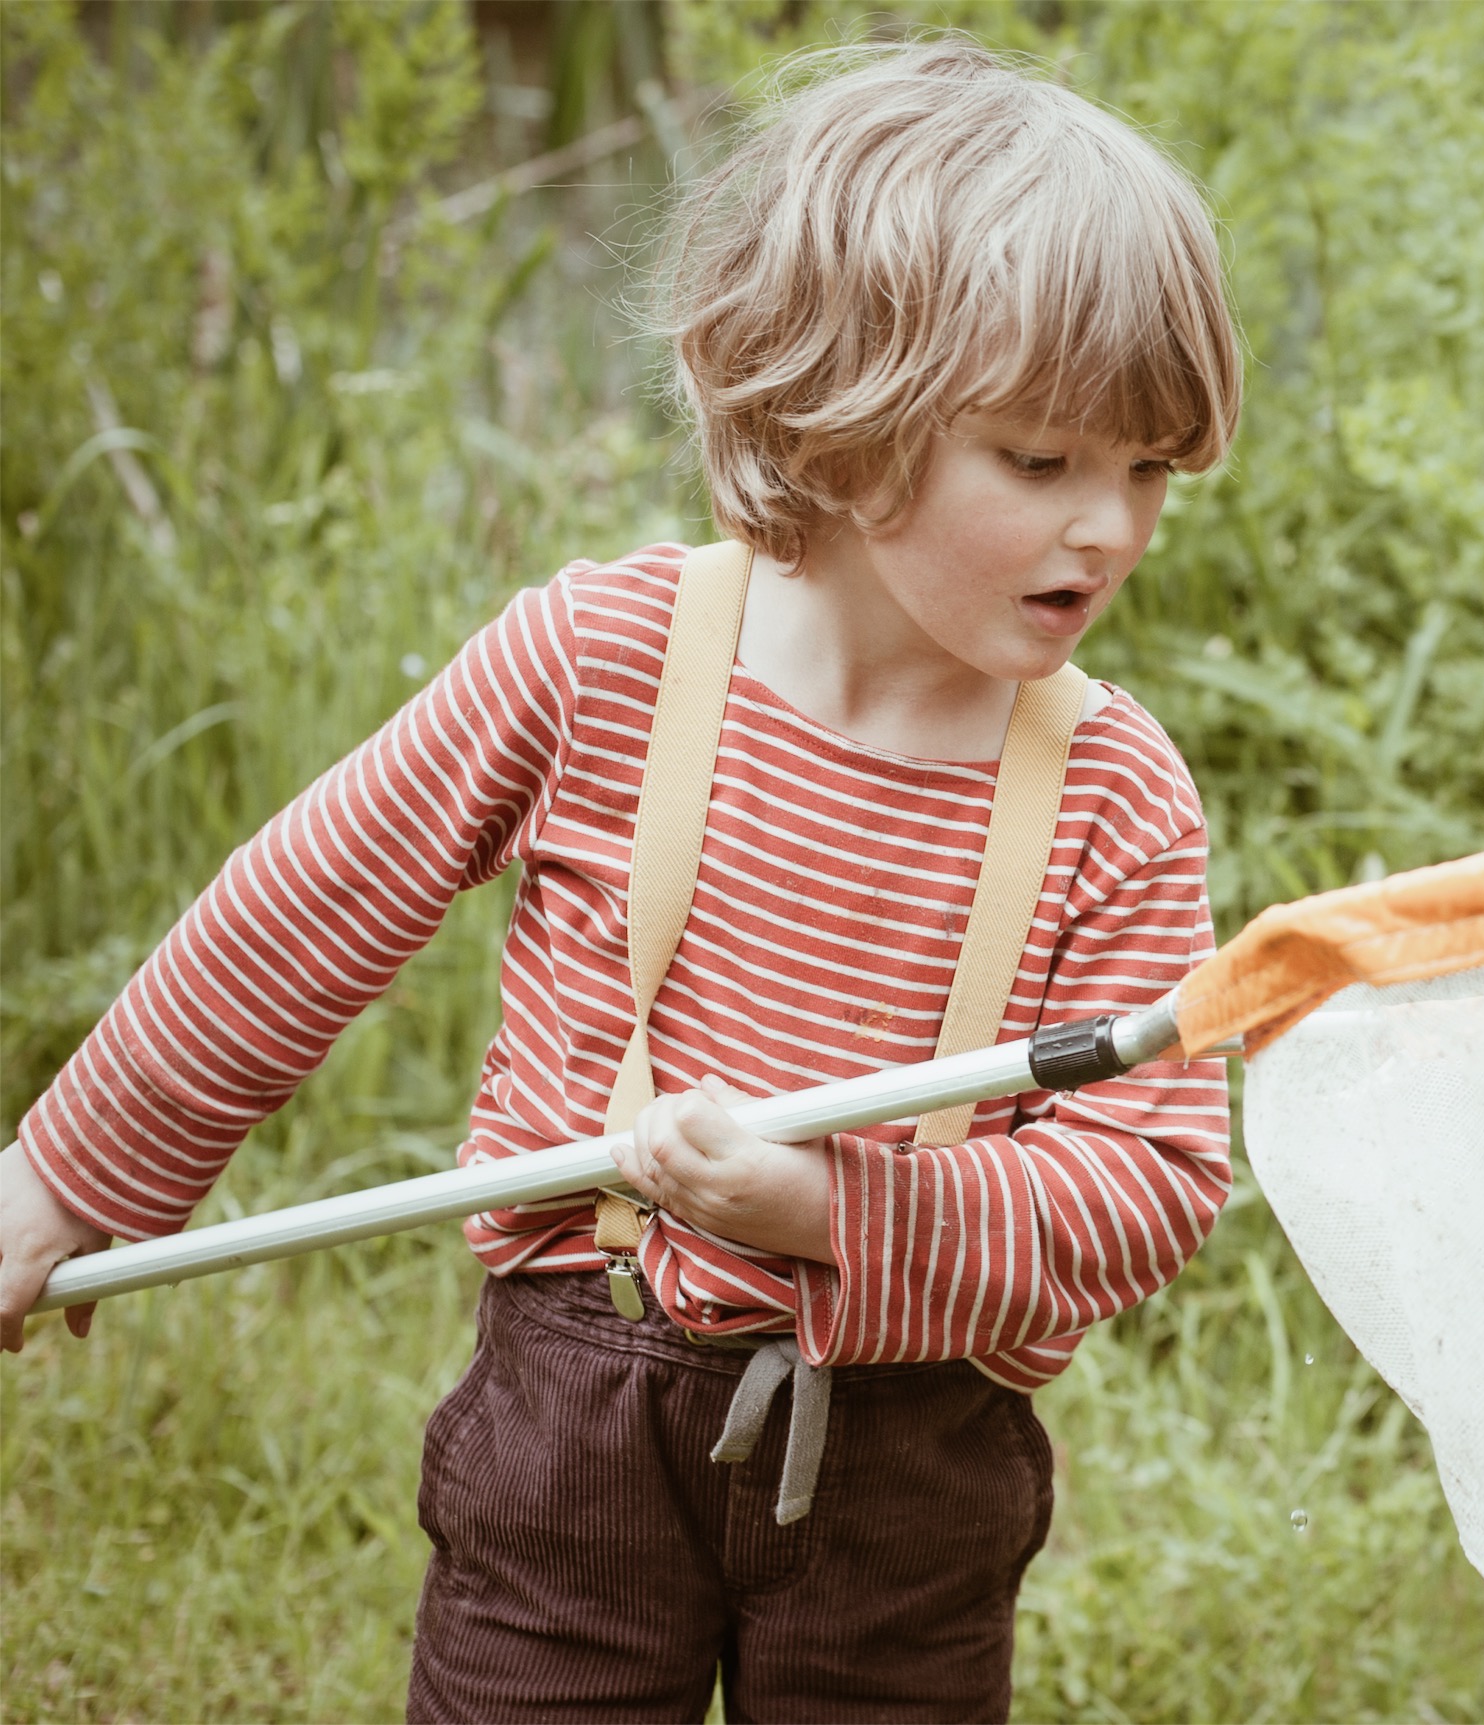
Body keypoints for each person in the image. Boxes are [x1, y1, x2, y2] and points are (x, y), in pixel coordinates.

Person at [0, 38, 1239, 1722]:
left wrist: (835, 1213)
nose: (1110, 528)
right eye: (1041, 462)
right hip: (578, 1415)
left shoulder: (1114, 789)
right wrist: (67, 1183)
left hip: (909, 1468)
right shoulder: (607, 658)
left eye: (1151, 468)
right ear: (840, 412)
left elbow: (1150, 1180)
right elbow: (298, 917)